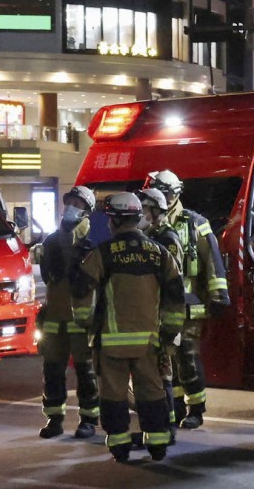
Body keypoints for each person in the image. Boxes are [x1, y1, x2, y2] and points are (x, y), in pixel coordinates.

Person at [72, 192, 184, 463]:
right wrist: (167, 334)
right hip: (150, 344)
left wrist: (86, 322)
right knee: (152, 393)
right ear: (136, 218)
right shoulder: (160, 253)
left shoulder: (103, 254)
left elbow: (82, 291)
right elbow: (176, 296)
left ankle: (120, 446)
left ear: (115, 220)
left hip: (111, 345)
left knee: (113, 396)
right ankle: (157, 444)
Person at [143, 169, 230, 430]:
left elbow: (212, 260)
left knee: (188, 357)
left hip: (189, 304)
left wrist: (218, 294)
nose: (163, 197)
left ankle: (196, 408)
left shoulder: (194, 222)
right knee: (168, 358)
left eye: (166, 192)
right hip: (160, 305)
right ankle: (178, 405)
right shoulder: (150, 223)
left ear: (175, 193)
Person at [33, 185, 100, 440]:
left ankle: (89, 420)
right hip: (54, 318)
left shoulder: (93, 241)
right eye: (70, 202)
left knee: (86, 371)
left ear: (87, 211)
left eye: (78, 204)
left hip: (81, 319)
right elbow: (49, 278)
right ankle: (54, 418)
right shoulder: (51, 240)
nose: (71, 207)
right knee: (52, 370)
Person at [138, 188, 183, 442]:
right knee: (158, 374)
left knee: (163, 373)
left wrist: (168, 327)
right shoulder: (151, 235)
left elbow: (171, 282)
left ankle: (168, 428)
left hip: (163, 316)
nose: (141, 213)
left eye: (145, 209)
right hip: (152, 316)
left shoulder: (167, 239)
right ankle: (165, 427)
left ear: (156, 211)